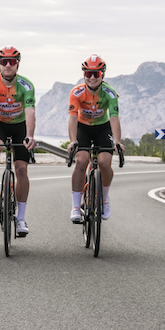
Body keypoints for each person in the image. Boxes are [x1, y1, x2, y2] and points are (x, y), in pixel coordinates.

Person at [0, 46, 37, 237]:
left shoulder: (26, 85)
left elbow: (30, 112)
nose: (8, 65)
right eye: (4, 62)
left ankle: (21, 218)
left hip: (20, 126)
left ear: (17, 64)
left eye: (12, 62)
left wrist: (30, 135)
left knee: (21, 170)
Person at [67, 54, 125, 223]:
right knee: (81, 161)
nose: (92, 77)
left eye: (96, 74)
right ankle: (75, 207)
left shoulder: (109, 93)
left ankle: (105, 199)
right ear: (84, 74)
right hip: (82, 127)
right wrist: (72, 141)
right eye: (88, 73)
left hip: (102, 128)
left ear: (102, 75)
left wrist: (118, 141)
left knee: (105, 163)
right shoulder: (76, 92)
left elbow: (114, 118)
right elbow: (72, 118)